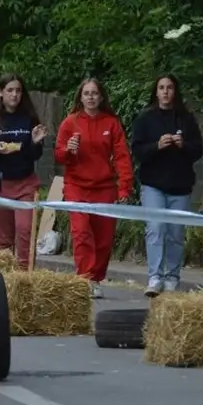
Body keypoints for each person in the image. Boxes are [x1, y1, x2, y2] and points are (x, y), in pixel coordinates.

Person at [53, 77, 134, 299]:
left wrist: (124, 187)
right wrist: (68, 150)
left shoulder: (111, 123)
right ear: (80, 96)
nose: (90, 97)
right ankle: (85, 278)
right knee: (81, 233)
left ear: (101, 97)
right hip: (76, 186)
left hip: (104, 188)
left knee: (104, 238)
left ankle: (96, 278)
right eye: (86, 93)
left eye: (94, 93)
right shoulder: (70, 122)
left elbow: (122, 157)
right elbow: (58, 155)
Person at [130, 74, 203, 296]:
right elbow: (138, 151)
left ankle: (172, 277)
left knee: (175, 232)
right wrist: (157, 146)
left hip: (180, 186)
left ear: (175, 91)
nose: (165, 92)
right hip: (153, 184)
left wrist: (184, 145)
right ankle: (154, 277)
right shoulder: (145, 119)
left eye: (169, 88)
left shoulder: (186, 119)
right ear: (156, 92)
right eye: (161, 88)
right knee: (156, 228)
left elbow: (198, 150)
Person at [0, 73, 48, 269]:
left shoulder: (29, 118)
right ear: (0, 92)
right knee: (2, 239)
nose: (14, 95)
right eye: (10, 90)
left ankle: (24, 277)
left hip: (24, 183)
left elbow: (35, 155)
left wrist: (35, 143)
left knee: (24, 230)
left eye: (18, 90)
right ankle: (5, 280)